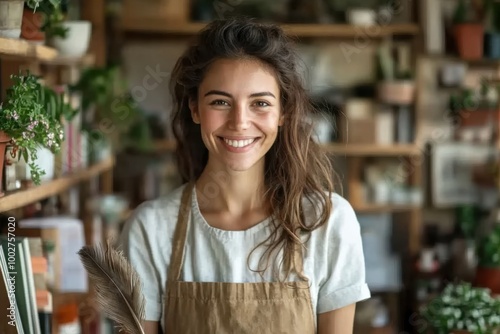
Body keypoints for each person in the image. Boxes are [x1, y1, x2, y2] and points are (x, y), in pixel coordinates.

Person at [118, 17, 370, 334]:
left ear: (284, 112)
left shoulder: (328, 222)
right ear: (195, 108)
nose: (239, 122)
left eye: (260, 103)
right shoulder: (150, 229)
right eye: (220, 102)